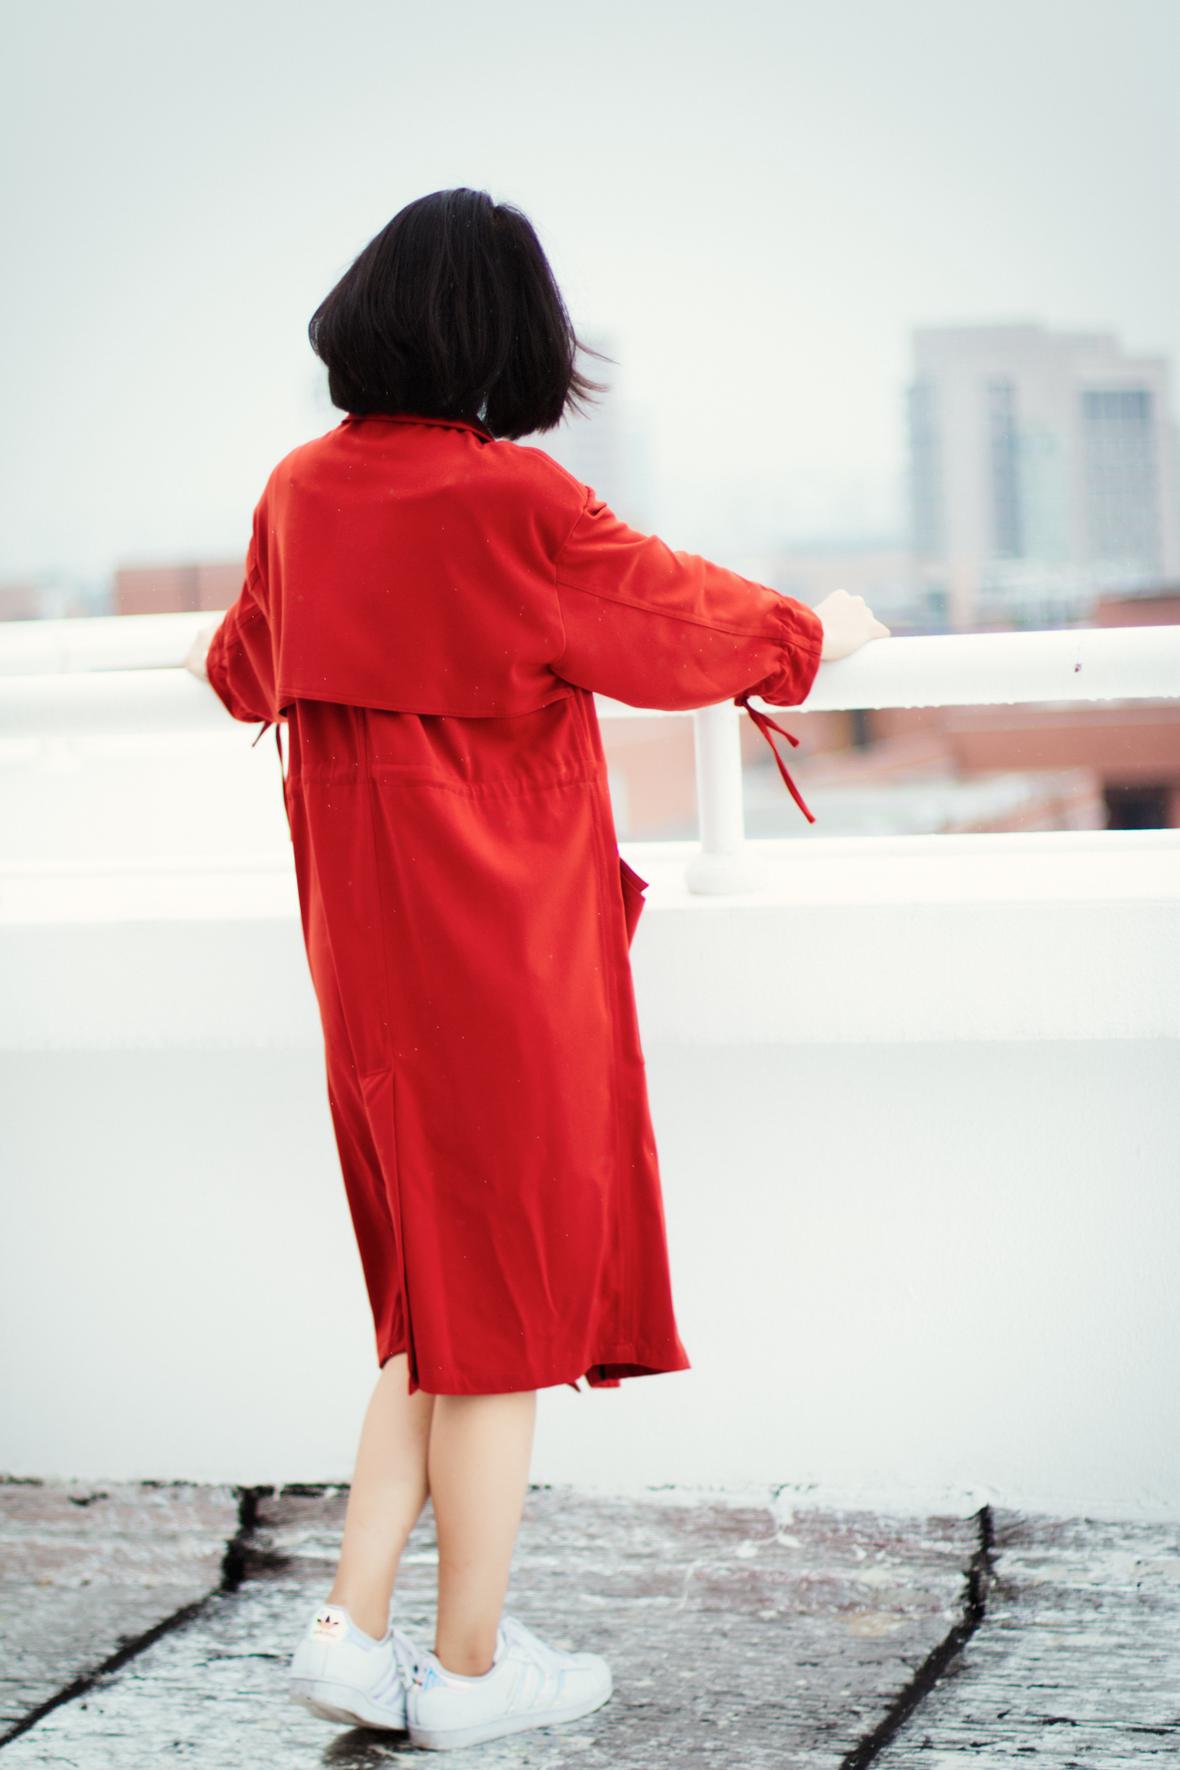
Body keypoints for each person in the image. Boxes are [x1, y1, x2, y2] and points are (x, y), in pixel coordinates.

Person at [185, 187, 889, 1752]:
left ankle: (350, 1631)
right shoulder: (513, 503)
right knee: (492, 1314)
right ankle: (470, 1668)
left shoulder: (300, 492)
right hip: (499, 958)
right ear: (506, 337)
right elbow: (673, 618)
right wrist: (818, 632)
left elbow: (244, 664)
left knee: (435, 1304)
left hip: (366, 960)